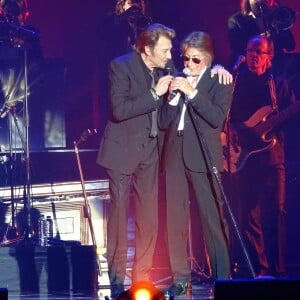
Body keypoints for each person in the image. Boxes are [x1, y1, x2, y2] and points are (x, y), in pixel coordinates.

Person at [97, 23, 232, 299]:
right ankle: (150, 281)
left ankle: (218, 279)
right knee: (150, 221)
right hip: (148, 153)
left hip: (179, 155)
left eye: (194, 59)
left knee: (187, 219)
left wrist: (206, 80)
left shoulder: (203, 76)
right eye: (180, 56)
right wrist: (164, 98)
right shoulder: (145, 70)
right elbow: (142, 115)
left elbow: (215, 112)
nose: (181, 61)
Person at [158, 31, 232, 296]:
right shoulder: (177, 80)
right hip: (174, 152)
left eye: (195, 60)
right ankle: (180, 278)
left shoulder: (219, 80)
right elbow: (163, 122)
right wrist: (172, 98)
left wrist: (192, 92)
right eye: (186, 58)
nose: (188, 64)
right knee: (175, 218)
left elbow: (215, 118)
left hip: (202, 154)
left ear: (209, 59)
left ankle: (223, 277)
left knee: (212, 218)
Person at [228, 34, 297, 277]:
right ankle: (261, 270)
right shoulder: (236, 83)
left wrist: (272, 124)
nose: (253, 56)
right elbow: (228, 120)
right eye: (250, 50)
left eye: (259, 52)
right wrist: (235, 134)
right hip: (244, 160)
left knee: (276, 212)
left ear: (269, 57)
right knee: (249, 216)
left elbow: (292, 113)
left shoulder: (278, 85)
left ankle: (278, 271)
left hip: (272, 158)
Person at [227, 0, 296, 73]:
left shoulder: (274, 15)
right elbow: (237, 49)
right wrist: (259, 41)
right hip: (251, 68)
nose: (261, 3)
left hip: (277, 66)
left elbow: (290, 46)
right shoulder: (236, 20)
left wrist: (280, 24)